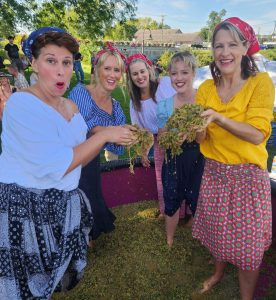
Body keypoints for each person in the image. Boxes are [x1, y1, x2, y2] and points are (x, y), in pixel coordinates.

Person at [0, 27, 135, 300]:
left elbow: (88, 136)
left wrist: (119, 136)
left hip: (61, 203)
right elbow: (57, 164)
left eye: (67, 62)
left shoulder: (69, 106)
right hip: (26, 210)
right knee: (26, 285)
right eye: (51, 61)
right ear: (33, 64)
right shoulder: (21, 104)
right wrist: (107, 133)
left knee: (51, 276)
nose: (61, 71)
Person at [192, 17, 275, 299]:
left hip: (247, 178)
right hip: (214, 173)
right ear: (212, 51)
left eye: (231, 44)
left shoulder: (260, 84)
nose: (224, 52)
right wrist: (198, 129)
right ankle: (218, 272)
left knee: (249, 247)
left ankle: (245, 297)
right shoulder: (204, 90)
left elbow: (256, 134)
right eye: (218, 46)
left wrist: (218, 117)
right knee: (217, 232)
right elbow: (201, 139)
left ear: (244, 47)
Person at [68, 42, 127, 242]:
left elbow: (115, 145)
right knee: (74, 197)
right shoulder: (80, 92)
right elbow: (88, 125)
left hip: (91, 160)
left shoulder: (117, 106)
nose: (112, 75)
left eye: (117, 70)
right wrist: (115, 132)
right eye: (107, 68)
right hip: (70, 157)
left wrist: (131, 136)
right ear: (96, 69)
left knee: (91, 193)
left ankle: (88, 236)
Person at [126, 53, 192, 222]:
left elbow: (183, 98)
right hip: (159, 143)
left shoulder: (163, 84)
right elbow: (141, 131)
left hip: (182, 136)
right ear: (130, 77)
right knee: (164, 178)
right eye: (135, 74)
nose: (140, 76)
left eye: (142, 71)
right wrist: (143, 151)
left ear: (149, 70)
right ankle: (168, 211)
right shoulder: (135, 102)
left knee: (186, 174)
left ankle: (188, 213)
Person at [157, 51, 205, 247]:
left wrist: (193, 130)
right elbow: (161, 140)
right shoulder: (164, 106)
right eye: (174, 73)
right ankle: (169, 238)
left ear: (193, 73)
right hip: (173, 159)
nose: (179, 78)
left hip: (197, 157)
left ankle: (198, 233)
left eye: (184, 72)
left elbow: (204, 139)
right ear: (169, 76)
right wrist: (172, 137)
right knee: (172, 197)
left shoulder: (203, 102)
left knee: (197, 197)